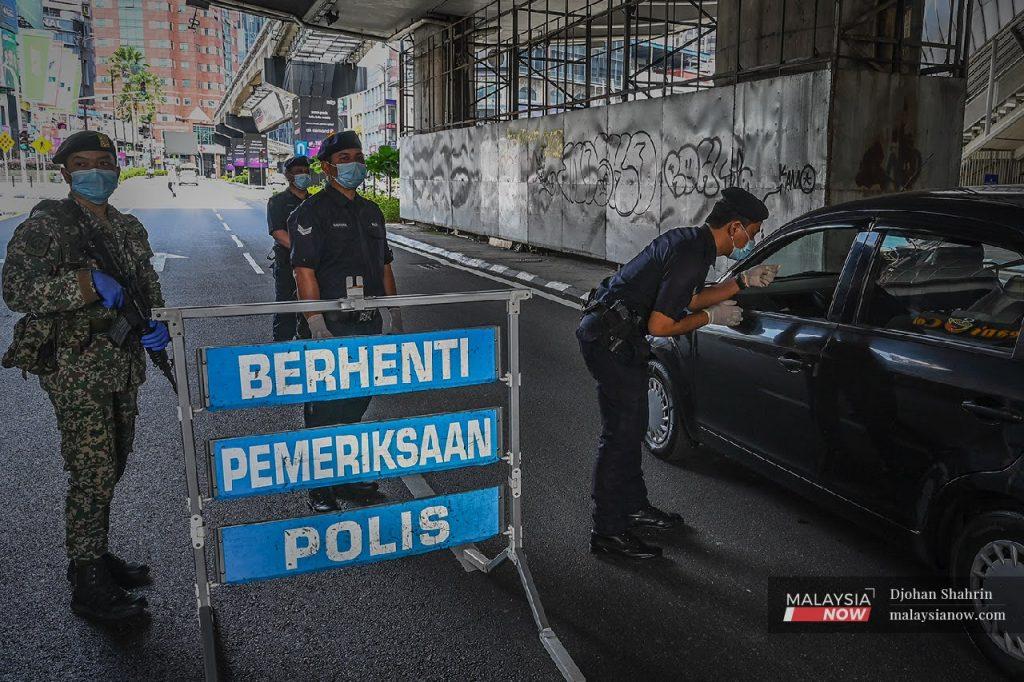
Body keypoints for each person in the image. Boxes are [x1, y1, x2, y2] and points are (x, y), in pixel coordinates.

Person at [1, 131, 171, 620]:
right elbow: (16, 291)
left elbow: (146, 286)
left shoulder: (128, 227)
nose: (95, 171)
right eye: (83, 164)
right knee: (92, 471)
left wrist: (156, 323)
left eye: (104, 162)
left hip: (123, 362)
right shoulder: (48, 225)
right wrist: (86, 282)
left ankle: (92, 554)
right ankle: (88, 581)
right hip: (76, 367)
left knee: (113, 463)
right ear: (65, 172)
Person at [578, 187, 780, 560]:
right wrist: (709, 317)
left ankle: (633, 507)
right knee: (620, 436)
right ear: (734, 227)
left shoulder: (694, 244)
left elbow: (687, 298)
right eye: (752, 233)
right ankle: (607, 531)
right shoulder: (691, 253)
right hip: (609, 342)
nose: (751, 241)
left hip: (619, 339)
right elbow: (661, 325)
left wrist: (742, 282)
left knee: (632, 428)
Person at [288, 130, 402, 512]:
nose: (355, 164)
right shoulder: (310, 213)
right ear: (327, 168)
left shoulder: (371, 212)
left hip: (366, 324)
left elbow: (385, 265)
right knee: (324, 409)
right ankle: (320, 487)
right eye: (344, 159)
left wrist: (394, 311)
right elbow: (304, 272)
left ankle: (346, 476)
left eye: (358, 157)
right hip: (330, 327)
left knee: (356, 403)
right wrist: (316, 323)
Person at [266, 155, 312, 342]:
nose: (304, 175)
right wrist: (306, 250)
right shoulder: (277, 201)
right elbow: (278, 233)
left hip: (314, 267)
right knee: (286, 308)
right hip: (287, 265)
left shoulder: (315, 202)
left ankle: (308, 345)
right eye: (299, 171)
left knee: (311, 307)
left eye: (306, 171)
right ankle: (281, 347)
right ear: (288, 175)